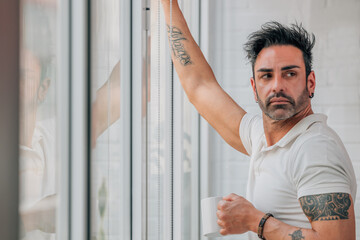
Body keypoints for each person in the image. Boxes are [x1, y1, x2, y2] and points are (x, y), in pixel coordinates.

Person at [161, 1, 357, 239]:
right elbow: (200, 86)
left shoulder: (315, 150)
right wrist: (168, 5)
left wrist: (255, 220)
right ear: (254, 88)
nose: (277, 86)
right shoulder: (262, 137)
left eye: (290, 74)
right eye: (266, 76)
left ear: (310, 82)